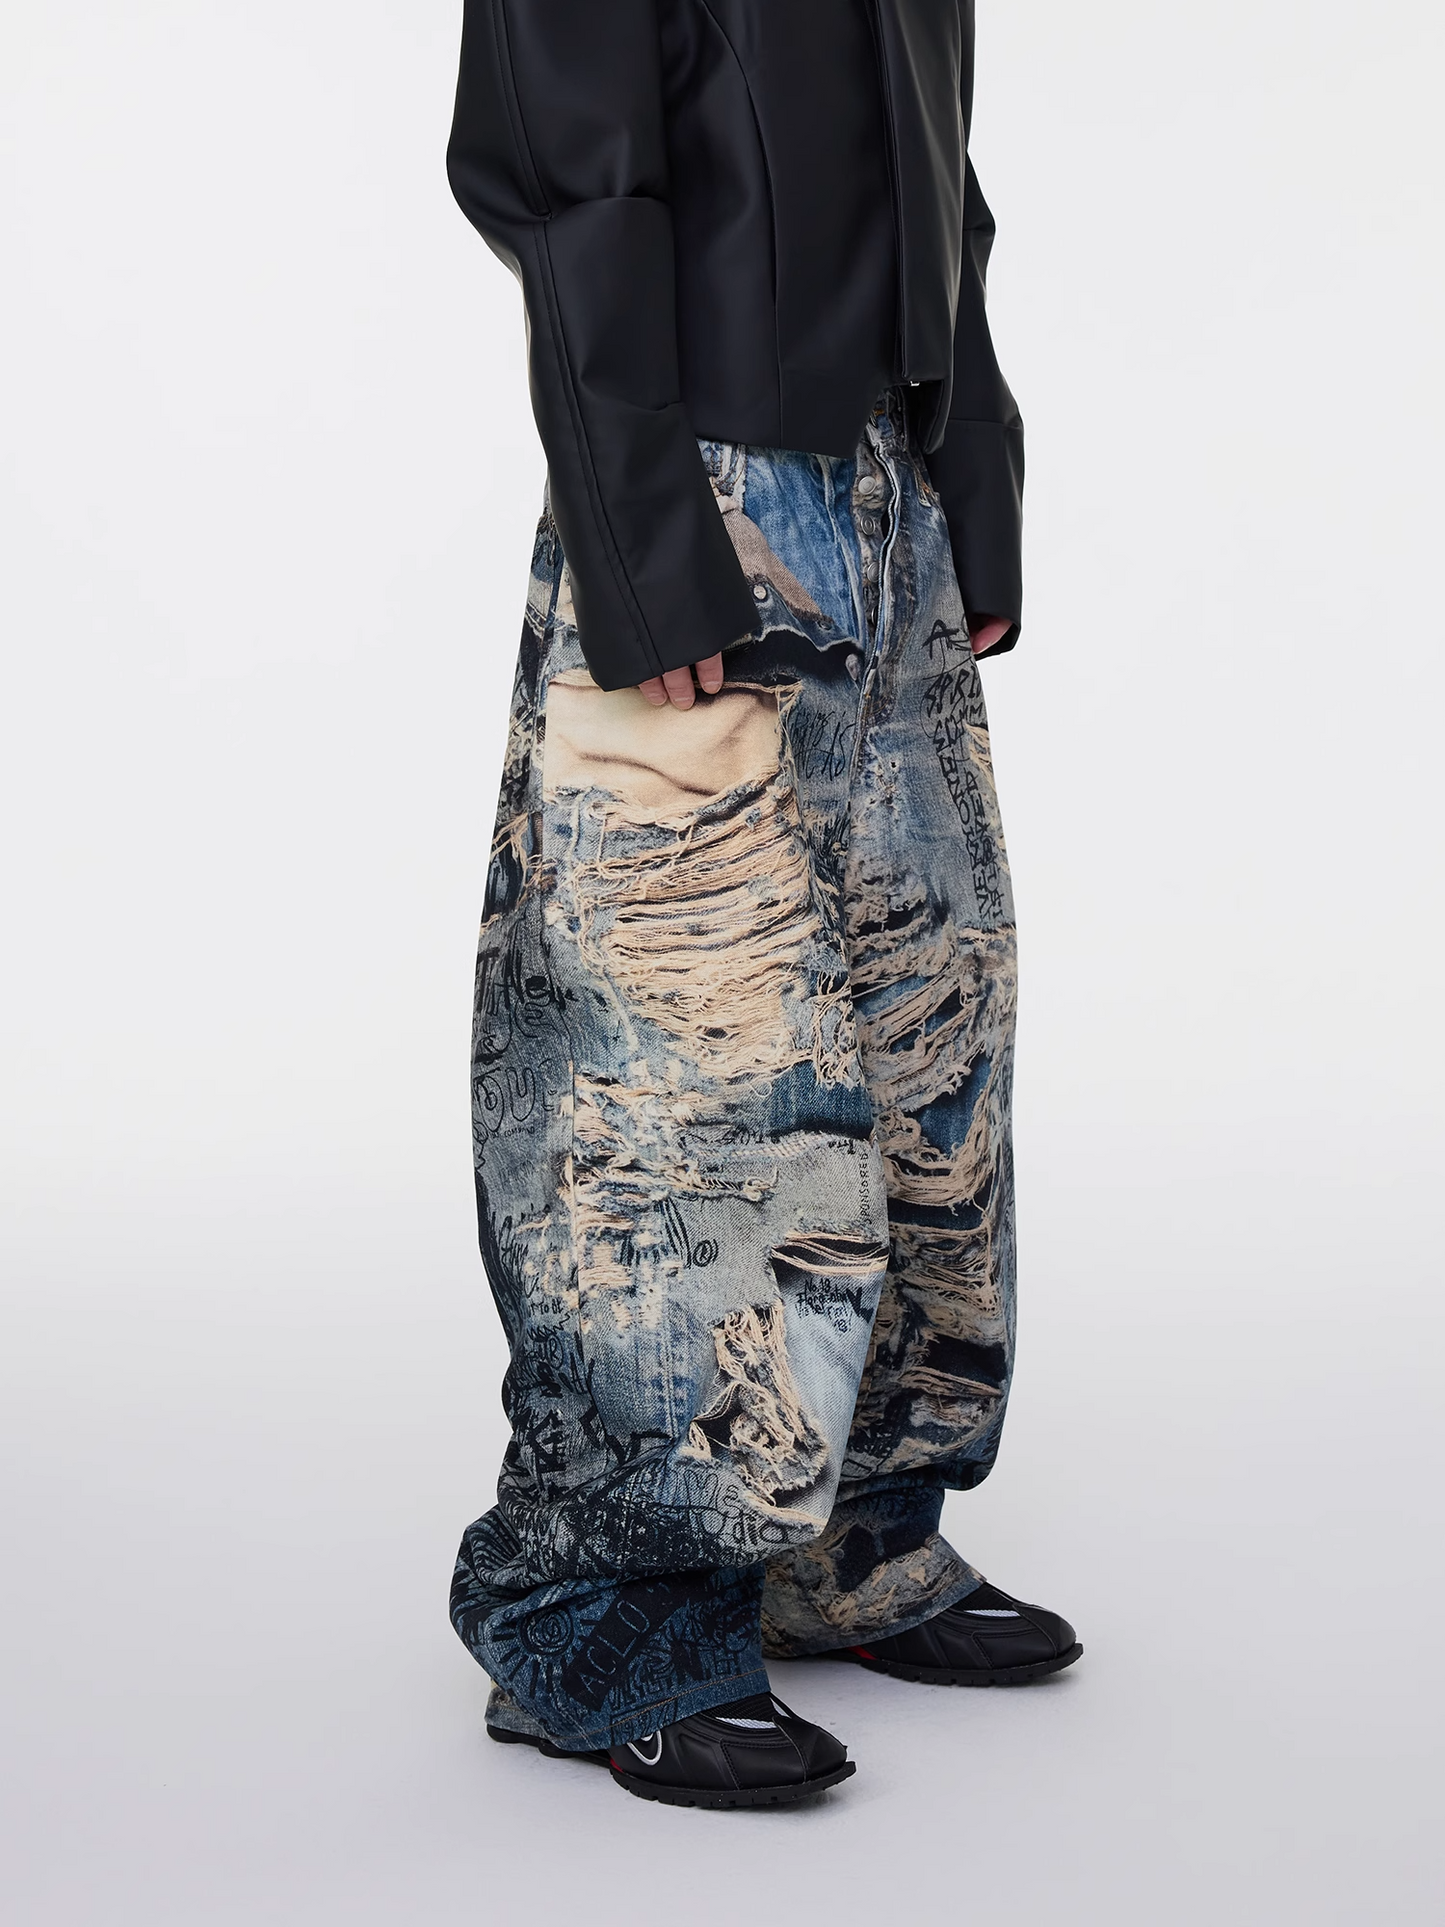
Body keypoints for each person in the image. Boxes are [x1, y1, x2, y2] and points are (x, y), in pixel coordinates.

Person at [444, 0, 1079, 1810]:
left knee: (927, 1030)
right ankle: (610, 1615)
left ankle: (849, 1534)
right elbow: (560, 175)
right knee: (676, 1082)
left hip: (890, 482)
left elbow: (936, 161)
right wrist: (644, 535)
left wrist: (973, 457)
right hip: (704, 491)